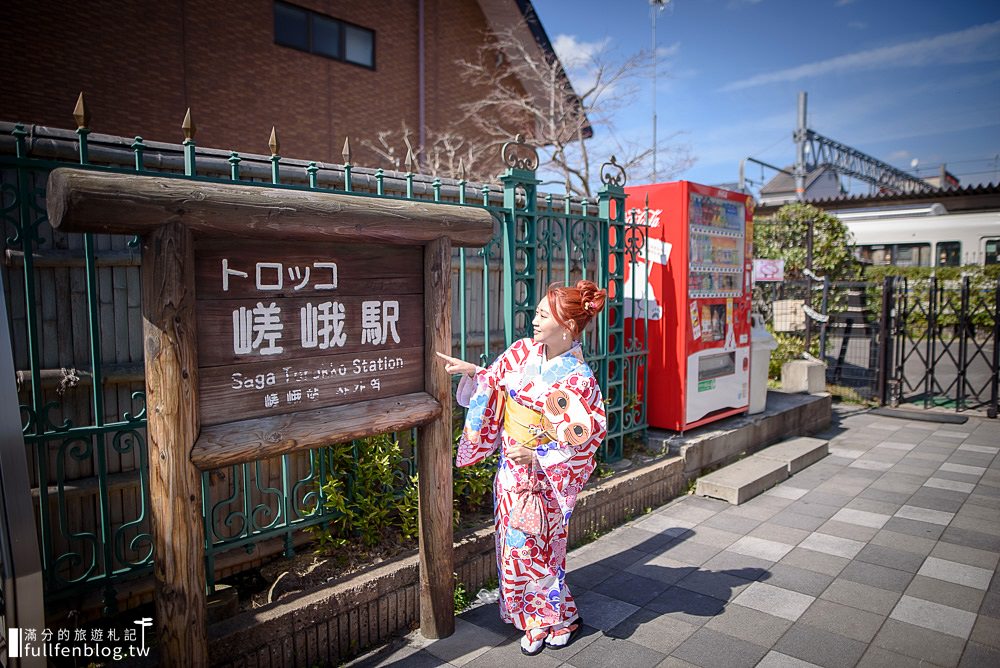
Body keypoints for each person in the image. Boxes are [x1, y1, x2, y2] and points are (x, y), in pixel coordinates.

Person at [436, 280, 607, 656]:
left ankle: (558, 619)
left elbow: (588, 435)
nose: (533, 320)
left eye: (543, 315)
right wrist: (472, 371)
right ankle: (535, 619)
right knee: (513, 546)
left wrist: (541, 453)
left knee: (543, 549)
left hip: (546, 479)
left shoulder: (579, 379)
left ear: (567, 327)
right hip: (511, 473)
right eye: (537, 312)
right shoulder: (523, 353)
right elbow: (494, 382)